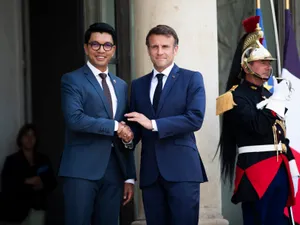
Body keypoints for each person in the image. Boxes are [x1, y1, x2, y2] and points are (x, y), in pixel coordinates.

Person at [216, 16, 299, 225]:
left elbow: (280, 133)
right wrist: (277, 100)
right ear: (246, 66)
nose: (267, 67)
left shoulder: (267, 94)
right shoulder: (235, 97)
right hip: (256, 172)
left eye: (268, 63)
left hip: (279, 169)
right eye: (261, 62)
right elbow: (258, 127)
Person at [125, 24, 207, 225]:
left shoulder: (191, 78)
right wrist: (127, 136)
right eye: (154, 47)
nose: (159, 52)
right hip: (151, 173)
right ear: (148, 50)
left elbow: (195, 118)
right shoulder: (138, 85)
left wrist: (152, 124)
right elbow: (136, 127)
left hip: (183, 172)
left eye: (165, 46)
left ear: (175, 49)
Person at [59, 22, 136, 225]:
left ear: (113, 49)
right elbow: (75, 119)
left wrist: (129, 176)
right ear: (86, 48)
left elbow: (126, 128)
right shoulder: (72, 80)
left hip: (114, 171)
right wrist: (114, 126)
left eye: (107, 45)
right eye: (95, 44)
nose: (101, 50)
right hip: (81, 170)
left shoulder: (121, 85)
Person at [0, 123, 56, 225]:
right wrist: (26, 181)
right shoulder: (11, 160)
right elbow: (6, 185)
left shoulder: (43, 159)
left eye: (32, 135)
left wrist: (42, 184)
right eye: (26, 135)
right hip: (16, 212)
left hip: (38, 209)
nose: (29, 138)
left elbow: (52, 182)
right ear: (20, 139)